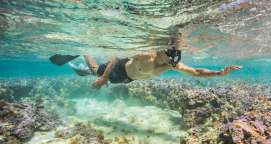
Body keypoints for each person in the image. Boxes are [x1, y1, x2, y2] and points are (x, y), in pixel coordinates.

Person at [50, 47, 241, 89]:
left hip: (129, 79)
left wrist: (220, 73)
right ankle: (83, 51)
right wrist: (103, 77)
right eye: (170, 55)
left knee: (88, 73)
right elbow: (115, 57)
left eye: (175, 57)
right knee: (93, 70)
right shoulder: (144, 54)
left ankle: (82, 69)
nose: (173, 60)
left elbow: (196, 72)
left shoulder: (170, 64)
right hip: (117, 70)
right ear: (161, 51)